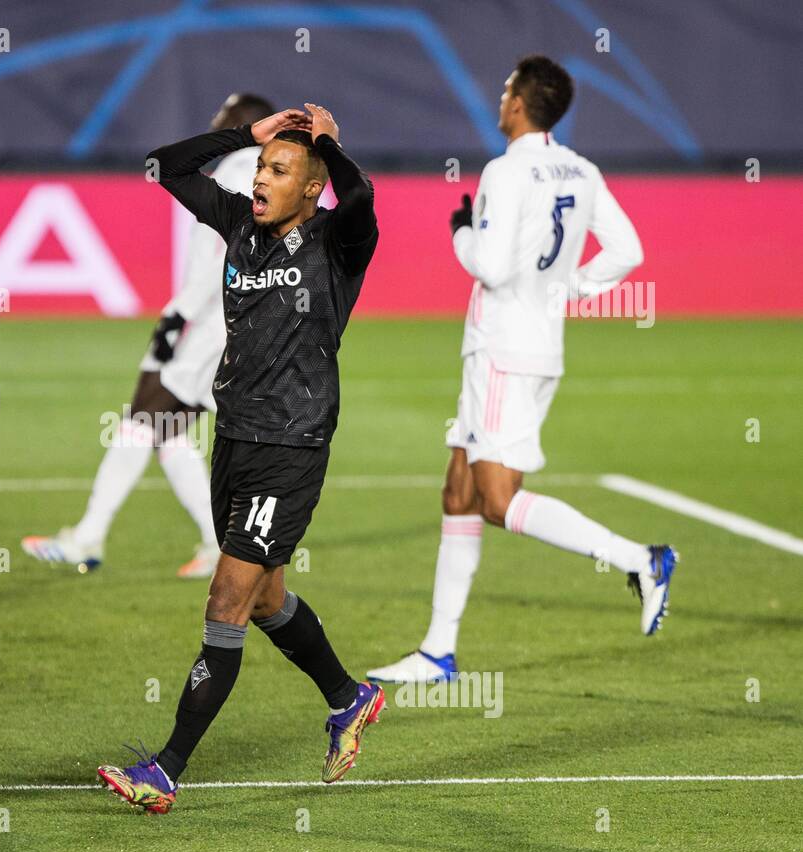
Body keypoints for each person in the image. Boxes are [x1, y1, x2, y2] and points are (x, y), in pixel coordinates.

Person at [97, 104, 383, 813]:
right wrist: (246, 135)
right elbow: (164, 165)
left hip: (293, 446)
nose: (260, 178)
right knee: (264, 600)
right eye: (260, 167)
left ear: (311, 188)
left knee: (225, 599)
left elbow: (363, 198)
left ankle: (165, 771)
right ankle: (350, 698)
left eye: (278, 171)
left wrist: (329, 145)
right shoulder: (238, 229)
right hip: (234, 440)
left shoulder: (337, 243)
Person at [366, 56, 676, 686]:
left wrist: (459, 232)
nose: (499, 98)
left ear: (519, 103)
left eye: (506, 89)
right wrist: (572, 287)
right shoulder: (581, 170)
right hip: (532, 347)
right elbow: (630, 251)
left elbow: (491, 265)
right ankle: (437, 652)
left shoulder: (506, 172)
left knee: (498, 502)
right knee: (459, 491)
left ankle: (640, 559)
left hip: (503, 351)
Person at [21, 93, 274, 579]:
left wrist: (178, 314)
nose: (215, 119)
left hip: (214, 320)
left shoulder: (242, 165)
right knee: (170, 430)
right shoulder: (275, 170)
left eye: (223, 114)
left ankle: (88, 537)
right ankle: (216, 543)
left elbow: (227, 250)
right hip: (239, 318)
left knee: (142, 418)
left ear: (243, 121)